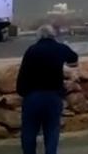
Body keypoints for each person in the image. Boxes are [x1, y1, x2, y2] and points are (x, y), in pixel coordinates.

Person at [17, 25, 79, 154]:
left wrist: (23, 93)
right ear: (53, 35)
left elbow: (22, 76)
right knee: (52, 131)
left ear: (38, 36)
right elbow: (74, 59)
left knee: (29, 131)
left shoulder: (31, 50)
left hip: (32, 97)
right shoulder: (60, 48)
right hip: (53, 96)